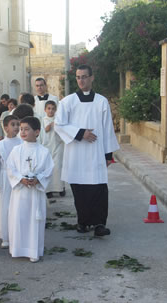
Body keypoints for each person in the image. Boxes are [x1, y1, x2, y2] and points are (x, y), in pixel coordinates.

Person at [55, 64, 119, 237]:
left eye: (84, 76)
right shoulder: (67, 102)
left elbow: (107, 129)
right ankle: (83, 222)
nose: (81, 80)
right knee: (80, 189)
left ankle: (99, 224)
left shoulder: (101, 101)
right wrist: (81, 133)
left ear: (92, 78)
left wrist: (108, 154)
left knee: (98, 188)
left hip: (96, 152)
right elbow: (59, 125)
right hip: (76, 153)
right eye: (78, 77)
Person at [6, 116, 54, 263]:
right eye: (21, 129)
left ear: (37, 131)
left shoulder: (43, 151)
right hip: (20, 192)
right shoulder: (16, 150)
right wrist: (21, 178)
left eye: (27, 129)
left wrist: (38, 179)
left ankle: (34, 250)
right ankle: (17, 249)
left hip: (35, 193)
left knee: (34, 220)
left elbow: (49, 169)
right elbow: (10, 168)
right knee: (19, 219)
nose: (23, 132)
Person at [0, 115, 22, 249]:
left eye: (17, 125)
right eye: (13, 125)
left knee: (17, 205)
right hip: (4, 177)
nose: (16, 127)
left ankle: (17, 234)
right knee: (5, 206)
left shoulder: (21, 143)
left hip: (18, 177)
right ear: (5, 127)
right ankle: (6, 236)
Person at [42, 101, 65, 198]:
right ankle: (49, 190)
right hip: (47, 146)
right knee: (48, 168)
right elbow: (45, 130)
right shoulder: (43, 119)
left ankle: (60, 188)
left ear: (55, 110)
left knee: (58, 168)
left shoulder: (58, 119)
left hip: (58, 145)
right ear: (45, 110)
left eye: (53, 109)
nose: (50, 111)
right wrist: (50, 125)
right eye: (49, 108)